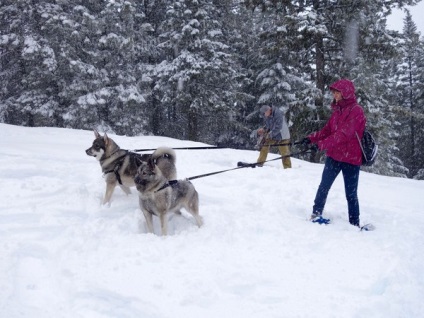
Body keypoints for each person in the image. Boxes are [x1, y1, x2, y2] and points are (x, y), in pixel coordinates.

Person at [302, 79, 366, 227]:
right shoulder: (338, 110)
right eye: (334, 92)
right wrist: (310, 139)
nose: (335, 95)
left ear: (347, 93)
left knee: (351, 194)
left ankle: (354, 223)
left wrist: (321, 145)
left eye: (338, 92)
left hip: (351, 159)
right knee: (324, 186)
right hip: (334, 156)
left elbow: (344, 134)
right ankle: (316, 213)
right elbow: (328, 130)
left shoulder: (356, 110)